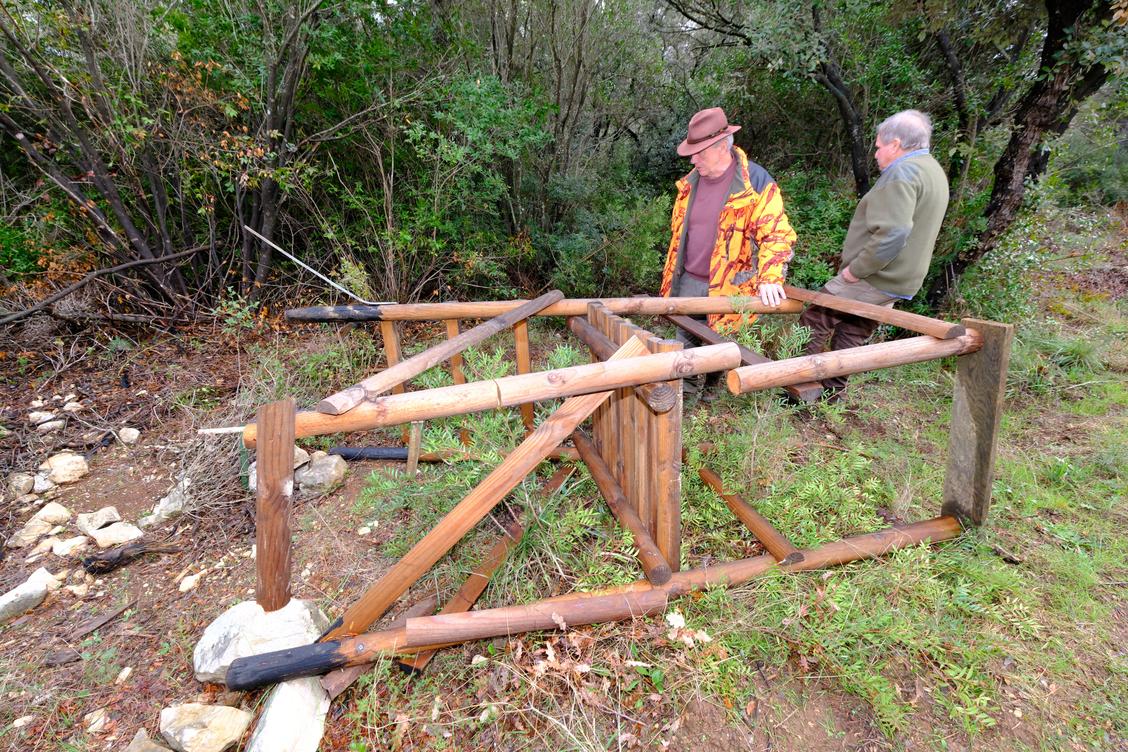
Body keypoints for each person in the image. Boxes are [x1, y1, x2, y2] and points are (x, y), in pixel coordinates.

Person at [798, 109, 949, 402]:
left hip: (876, 275)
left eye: (879, 147)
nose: (876, 154)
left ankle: (796, 387)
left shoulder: (902, 173)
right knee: (852, 332)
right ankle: (832, 397)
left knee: (814, 321)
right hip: (902, 279)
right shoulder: (933, 171)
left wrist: (855, 271)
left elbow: (893, 233)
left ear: (895, 144)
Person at [659, 107, 797, 397]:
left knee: (720, 342)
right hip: (687, 280)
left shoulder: (755, 183)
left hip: (729, 286)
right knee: (685, 340)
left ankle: (711, 386)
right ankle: (685, 398)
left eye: (699, 152)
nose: (692, 159)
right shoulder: (690, 183)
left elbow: (776, 233)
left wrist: (771, 276)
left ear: (722, 146)